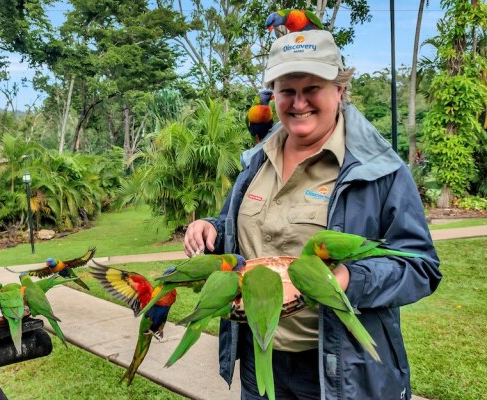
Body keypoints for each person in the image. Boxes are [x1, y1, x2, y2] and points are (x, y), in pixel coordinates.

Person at [183, 29, 441, 400]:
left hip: (338, 370)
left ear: (339, 89)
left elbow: (422, 267)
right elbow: (238, 228)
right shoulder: (256, 162)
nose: (298, 102)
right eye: (287, 90)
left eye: (312, 88)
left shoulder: (378, 170)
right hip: (261, 357)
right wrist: (209, 228)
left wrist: (351, 278)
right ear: (274, 96)